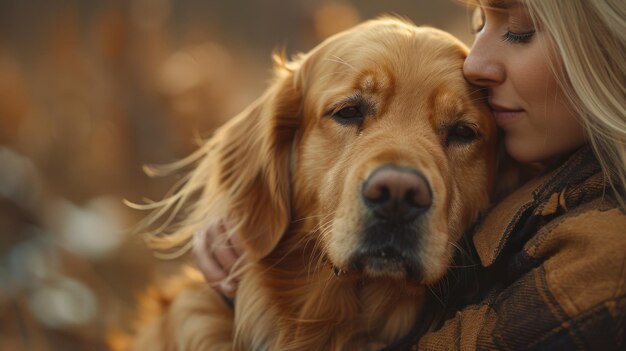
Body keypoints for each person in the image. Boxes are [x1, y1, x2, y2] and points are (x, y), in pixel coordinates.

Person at [194, 0, 626, 348]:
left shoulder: (600, 260)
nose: (475, 63)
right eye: (348, 113)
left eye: (520, 29)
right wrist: (243, 212)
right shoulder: (539, 181)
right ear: (281, 152)